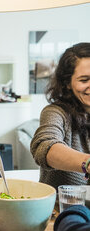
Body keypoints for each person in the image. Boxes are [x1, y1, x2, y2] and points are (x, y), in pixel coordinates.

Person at [31, 42, 90, 189]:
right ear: (67, 83)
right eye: (84, 80)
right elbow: (44, 146)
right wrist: (87, 163)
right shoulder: (56, 112)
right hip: (62, 209)